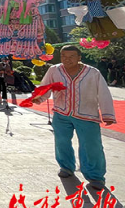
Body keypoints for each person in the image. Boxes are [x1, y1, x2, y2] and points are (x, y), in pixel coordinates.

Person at [32, 45, 117, 191]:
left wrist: (107, 114)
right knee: (61, 142)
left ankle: (95, 176)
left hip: (87, 114)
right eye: (64, 56)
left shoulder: (93, 73)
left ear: (79, 58)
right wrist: (39, 97)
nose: (67, 59)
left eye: (71, 56)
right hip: (61, 113)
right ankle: (66, 167)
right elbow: (46, 86)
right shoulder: (54, 70)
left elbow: (104, 93)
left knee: (91, 146)